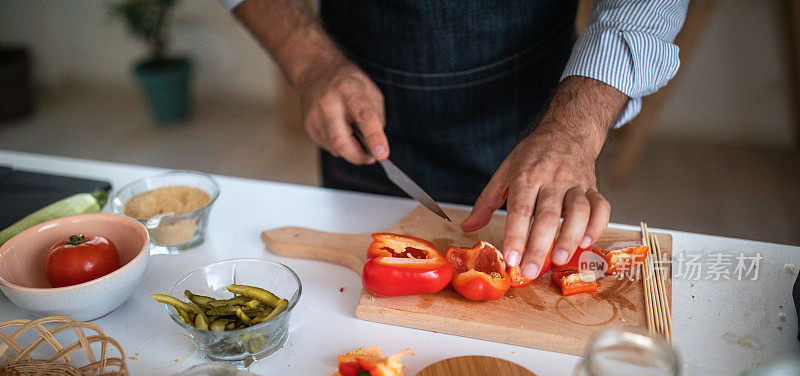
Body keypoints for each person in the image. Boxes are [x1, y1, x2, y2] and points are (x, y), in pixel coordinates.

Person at [222, 0, 688, 279]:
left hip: (536, 118)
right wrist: (309, 61)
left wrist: (572, 130)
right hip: (359, 107)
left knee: (545, 246)